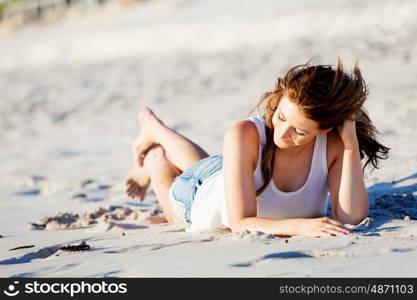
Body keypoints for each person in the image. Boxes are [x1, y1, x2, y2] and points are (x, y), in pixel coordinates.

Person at [125, 59, 389, 238]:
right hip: (197, 196)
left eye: (299, 131)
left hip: (228, 171)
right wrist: (301, 227)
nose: (282, 135)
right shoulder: (245, 134)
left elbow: (352, 218)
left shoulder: (333, 146)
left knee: (205, 166)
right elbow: (239, 223)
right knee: (180, 189)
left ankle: (154, 130)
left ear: (326, 128)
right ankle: (154, 155)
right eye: (281, 118)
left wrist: (350, 145)